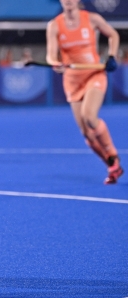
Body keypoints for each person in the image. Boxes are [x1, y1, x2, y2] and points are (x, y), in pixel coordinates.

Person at [46, 0, 123, 184]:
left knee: (89, 116)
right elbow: (50, 54)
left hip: (94, 74)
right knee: (86, 133)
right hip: (72, 81)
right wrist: (55, 63)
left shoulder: (92, 19)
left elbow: (113, 34)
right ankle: (112, 166)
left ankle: (113, 155)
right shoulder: (54, 25)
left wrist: (112, 56)